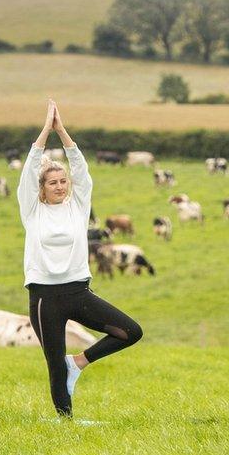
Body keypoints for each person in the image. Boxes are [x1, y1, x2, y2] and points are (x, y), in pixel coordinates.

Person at [19, 100, 142, 418]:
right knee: (53, 365)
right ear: (42, 188)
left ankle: (79, 362)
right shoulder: (32, 211)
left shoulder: (78, 207)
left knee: (129, 332)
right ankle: (66, 422)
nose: (59, 186)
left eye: (63, 182)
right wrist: (46, 132)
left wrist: (63, 132)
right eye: (52, 183)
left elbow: (82, 170)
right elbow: (30, 168)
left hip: (78, 292)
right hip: (45, 297)